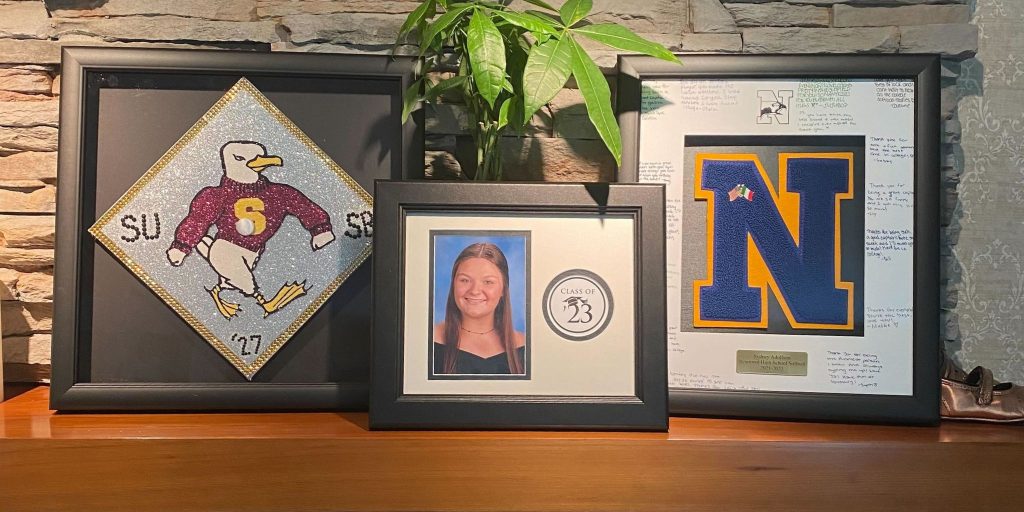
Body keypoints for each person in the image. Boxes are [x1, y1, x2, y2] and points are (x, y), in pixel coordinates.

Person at [433, 242, 526, 375]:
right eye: (465, 280)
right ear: (453, 284)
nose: (475, 291)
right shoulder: (428, 341)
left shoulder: (526, 346)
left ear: (503, 290)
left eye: (488, 282)